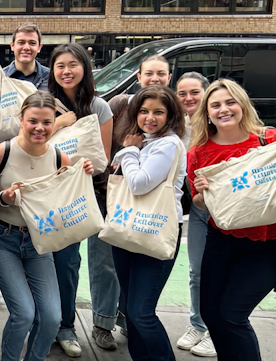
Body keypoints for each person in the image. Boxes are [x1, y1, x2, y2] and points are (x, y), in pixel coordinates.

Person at [0, 92, 94, 361]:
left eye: (47, 122)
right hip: (3, 239)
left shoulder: (58, 158)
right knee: (23, 314)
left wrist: (83, 172)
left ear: (54, 122)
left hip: (38, 243)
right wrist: (2, 196)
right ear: (21, 120)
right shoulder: (3, 152)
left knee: (52, 318)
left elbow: (70, 192)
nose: (40, 128)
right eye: (33, 121)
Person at [188, 79, 276, 361]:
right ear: (206, 113)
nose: (224, 109)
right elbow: (197, 201)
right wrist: (204, 194)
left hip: (265, 244)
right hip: (221, 241)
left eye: (230, 102)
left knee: (232, 315)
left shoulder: (268, 140)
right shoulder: (199, 152)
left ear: (242, 104)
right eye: (215, 105)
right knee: (210, 313)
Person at [48, 43, 115, 356]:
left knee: (92, 263)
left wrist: (88, 167)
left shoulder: (100, 106)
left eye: (73, 64)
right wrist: (59, 123)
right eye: (60, 65)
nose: (66, 71)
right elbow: (30, 144)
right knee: (63, 263)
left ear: (85, 68)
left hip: (92, 194)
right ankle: (59, 325)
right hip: (56, 196)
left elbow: (102, 159)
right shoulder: (45, 104)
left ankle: (86, 324)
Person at [112, 84, 187, 361]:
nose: (149, 118)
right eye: (143, 111)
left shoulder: (168, 144)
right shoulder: (145, 141)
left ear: (171, 116)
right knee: (132, 311)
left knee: (142, 312)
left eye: (158, 112)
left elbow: (140, 183)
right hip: (129, 229)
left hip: (156, 230)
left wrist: (128, 152)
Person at [173, 72, 216, 357]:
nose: (188, 98)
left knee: (224, 274)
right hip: (200, 209)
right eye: (182, 93)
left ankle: (217, 330)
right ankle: (198, 325)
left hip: (229, 212)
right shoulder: (177, 127)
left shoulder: (219, 122)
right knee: (197, 271)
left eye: (195, 92)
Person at [0, 23, 50, 92]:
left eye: (32, 43)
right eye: (21, 42)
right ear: (12, 46)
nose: (26, 48)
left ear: (39, 47)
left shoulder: (51, 78)